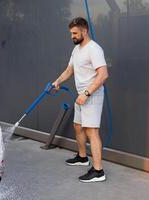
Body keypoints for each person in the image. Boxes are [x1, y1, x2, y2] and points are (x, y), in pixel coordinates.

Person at [52, 17, 109, 183]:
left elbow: (103, 74)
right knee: (78, 126)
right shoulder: (76, 50)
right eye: (71, 33)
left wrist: (87, 93)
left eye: (75, 33)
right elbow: (69, 70)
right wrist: (57, 81)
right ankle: (83, 157)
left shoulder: (94, 49)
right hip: (81, 96)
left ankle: (98, 171)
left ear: (84, 31)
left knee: (92, 131)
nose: (72, 36)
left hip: (92, 95)